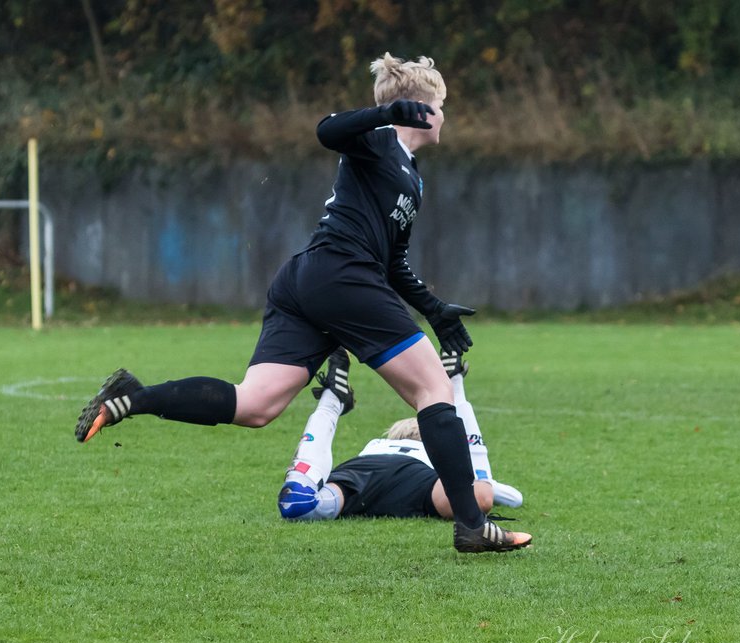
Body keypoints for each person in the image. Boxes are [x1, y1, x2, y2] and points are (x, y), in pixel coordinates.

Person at [76, 53, 531, 552]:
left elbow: (394, 261)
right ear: (420, 108)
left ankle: (133, 396)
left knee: (255, 404)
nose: (446, 114)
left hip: (312, 281)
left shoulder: (412, 178)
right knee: (435, 393)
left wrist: (435, 308)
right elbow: (326, 130)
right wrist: (386, 114)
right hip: (341, 277)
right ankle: (471, 526)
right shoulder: (378, 141)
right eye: (442, 104)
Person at [278, 348, 528, 535]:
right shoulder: (436, 453)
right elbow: (514, 498)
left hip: (358, 476)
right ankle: (454, 382)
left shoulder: (376, 444)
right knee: (480, 493)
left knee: (298, 503)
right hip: (417, 480)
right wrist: (485, 481)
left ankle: (333, 398)